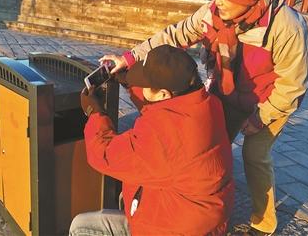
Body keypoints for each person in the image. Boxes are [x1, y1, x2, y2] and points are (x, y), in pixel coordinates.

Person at [100, 0, 308, 236]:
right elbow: (175, 35)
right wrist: (130, 58)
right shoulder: (213, 12)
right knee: (211, 148)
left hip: (269, 99)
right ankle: (208, 206)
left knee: (254, 155)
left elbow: (293, 84)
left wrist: (261, 117)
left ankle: (264, 224)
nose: (216, 1)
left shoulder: (286, 27)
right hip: (225, 90)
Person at [71, 45, 234, 235]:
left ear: (164, 93)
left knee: (82, 227)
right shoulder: (205, 103)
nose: (142, 86)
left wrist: (95, 113)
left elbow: (104, 154)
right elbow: (162, 106)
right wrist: (128, 82)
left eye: (145, 84)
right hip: (196, 218)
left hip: (169, 229)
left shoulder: (163, 137)